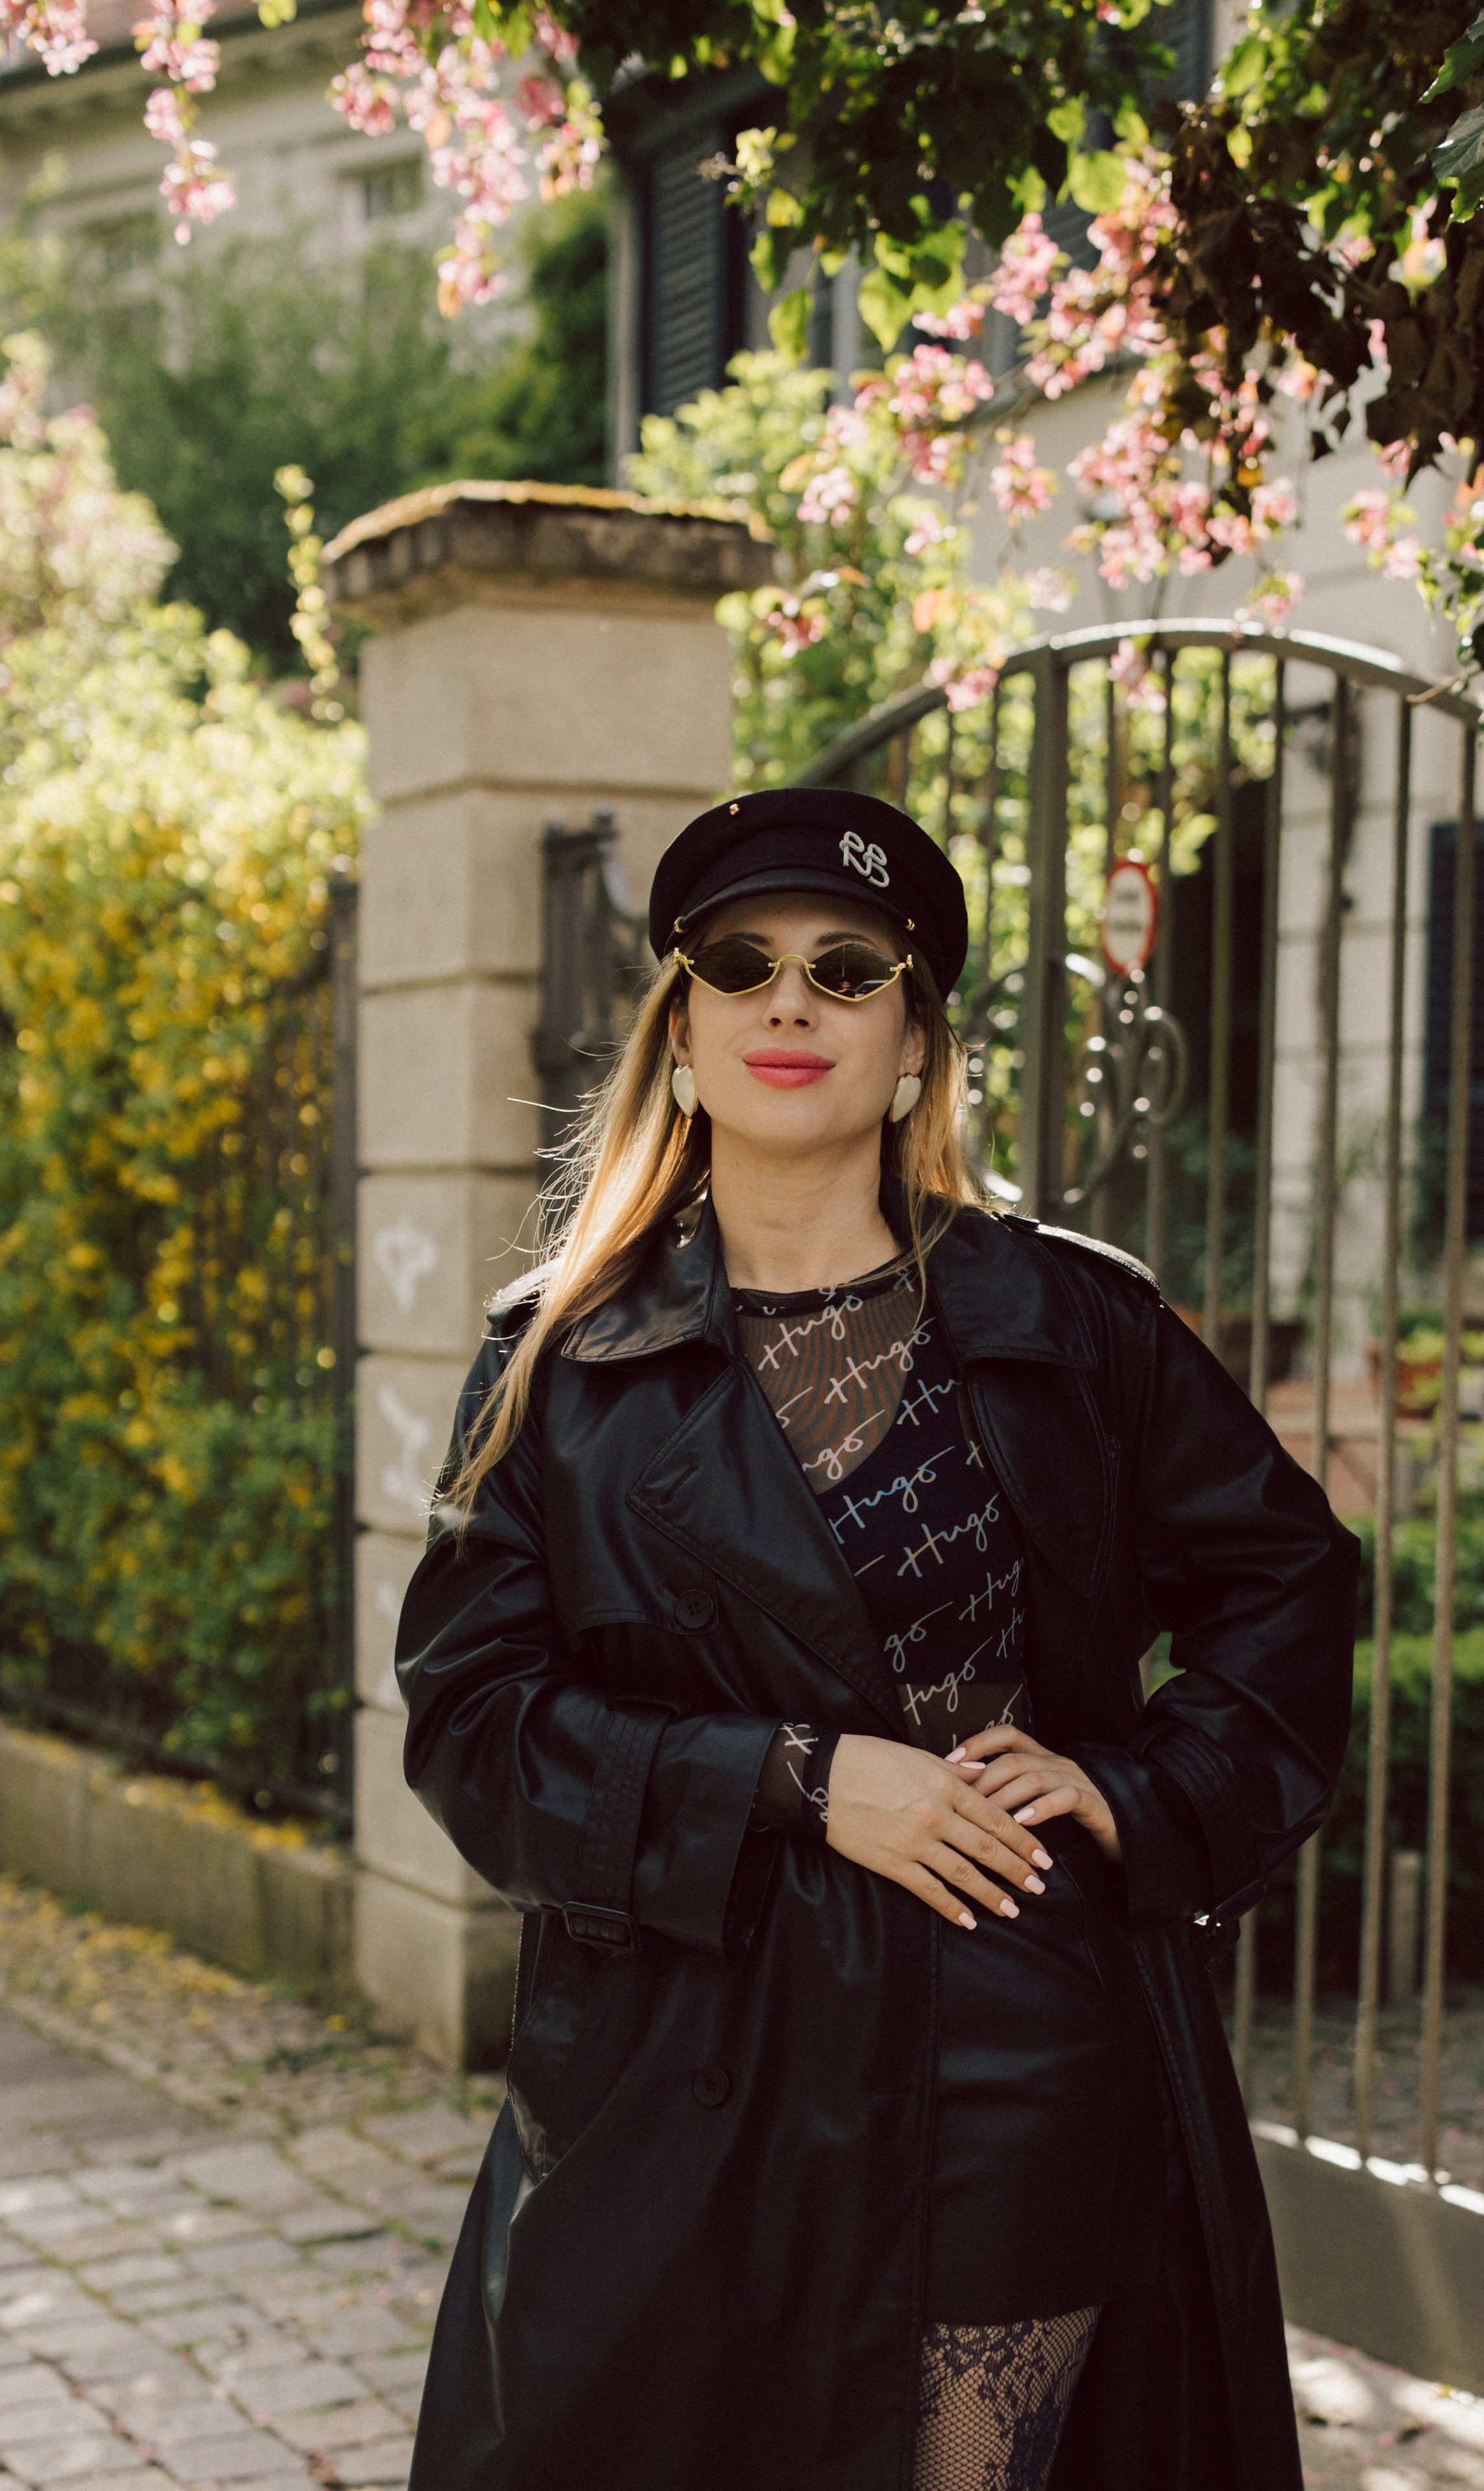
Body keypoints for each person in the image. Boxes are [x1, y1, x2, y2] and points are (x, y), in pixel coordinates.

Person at [395, 786, 1359, 2491]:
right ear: (679, 1027)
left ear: (912, 1039)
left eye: (846, 971)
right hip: (678, 2075)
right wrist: (792, 1780)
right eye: (740, 964)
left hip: (1017, 2038)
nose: (790, 1003)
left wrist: (1136, 1789)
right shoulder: (559, 1364)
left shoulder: (1075, 1323)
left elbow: (1290, 1583)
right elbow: (476, 1728)